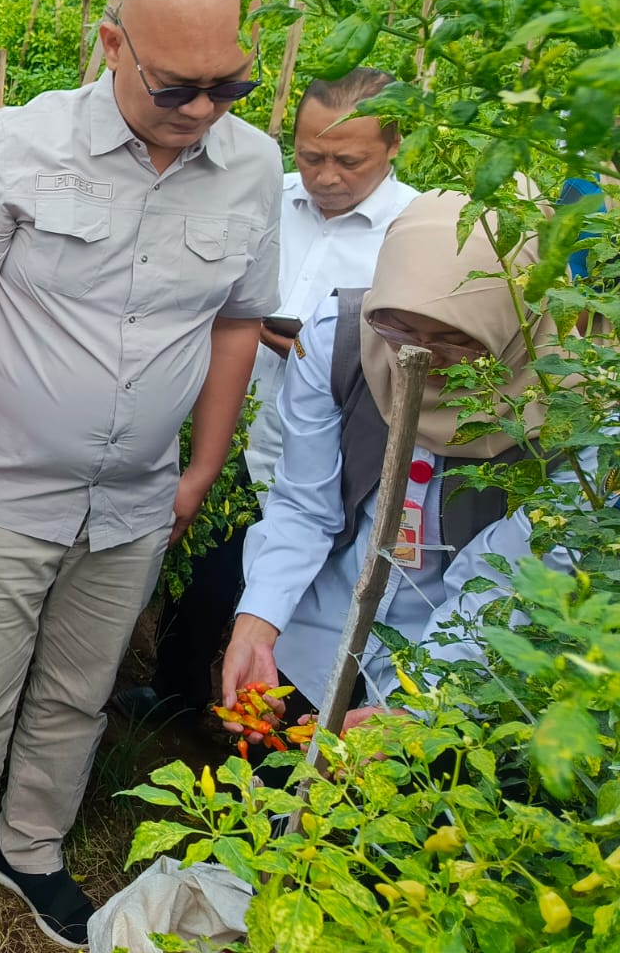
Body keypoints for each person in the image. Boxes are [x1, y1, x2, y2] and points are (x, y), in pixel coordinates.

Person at [0, 0, 283, 953]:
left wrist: (201, 468)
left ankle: (28, 848)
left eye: (229, 87)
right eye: (176, 87)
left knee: (78, 693)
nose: (201, 111)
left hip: (135, 500)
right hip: (0, 491)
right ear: (112, 44)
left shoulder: (253, 168)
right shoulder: (15, 148)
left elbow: (237, 324)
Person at [116, 68, 419, 721]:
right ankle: (175, 701)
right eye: (310, 156)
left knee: (308, 613)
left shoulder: (414, 233)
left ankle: (283, 740)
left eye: (348, 161)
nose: (325, 176)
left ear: (394, 146)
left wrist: (329, 354)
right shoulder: (264, 197)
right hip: (234, 439)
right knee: (203, 586)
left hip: (337, 468)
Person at [220, 190, 577, 736]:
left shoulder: (572, 407)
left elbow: (511, 579)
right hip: (319, 630)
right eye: (399, 330)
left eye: (454, 340)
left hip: (463, 659)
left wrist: (422, 705)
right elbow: (305, 504)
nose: (419, 357)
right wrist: (258, 623)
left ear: (513, 321)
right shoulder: (340, 339)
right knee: (280, 771)